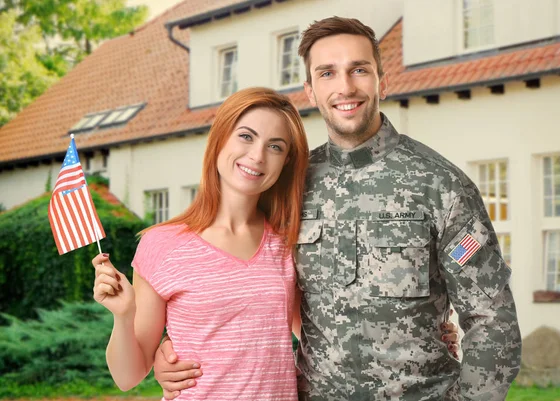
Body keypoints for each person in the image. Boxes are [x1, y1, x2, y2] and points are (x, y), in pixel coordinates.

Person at [154, 16, 522, 401]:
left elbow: (492, 321)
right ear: (310, 91)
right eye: (327, 73)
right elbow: (232, 277)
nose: (345, 87)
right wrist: (173, 345)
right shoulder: (287, 186)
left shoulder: (441, 184)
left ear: (381, 80)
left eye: (359, 69)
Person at [92, 87, 310, 400]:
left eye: (275, 146)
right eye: (246, 136)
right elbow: (128, 377)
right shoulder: (162, 244)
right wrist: (123, 316)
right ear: (220, 138)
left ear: (286, 162)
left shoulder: (288, 242)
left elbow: (316, 340)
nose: (257, 155)